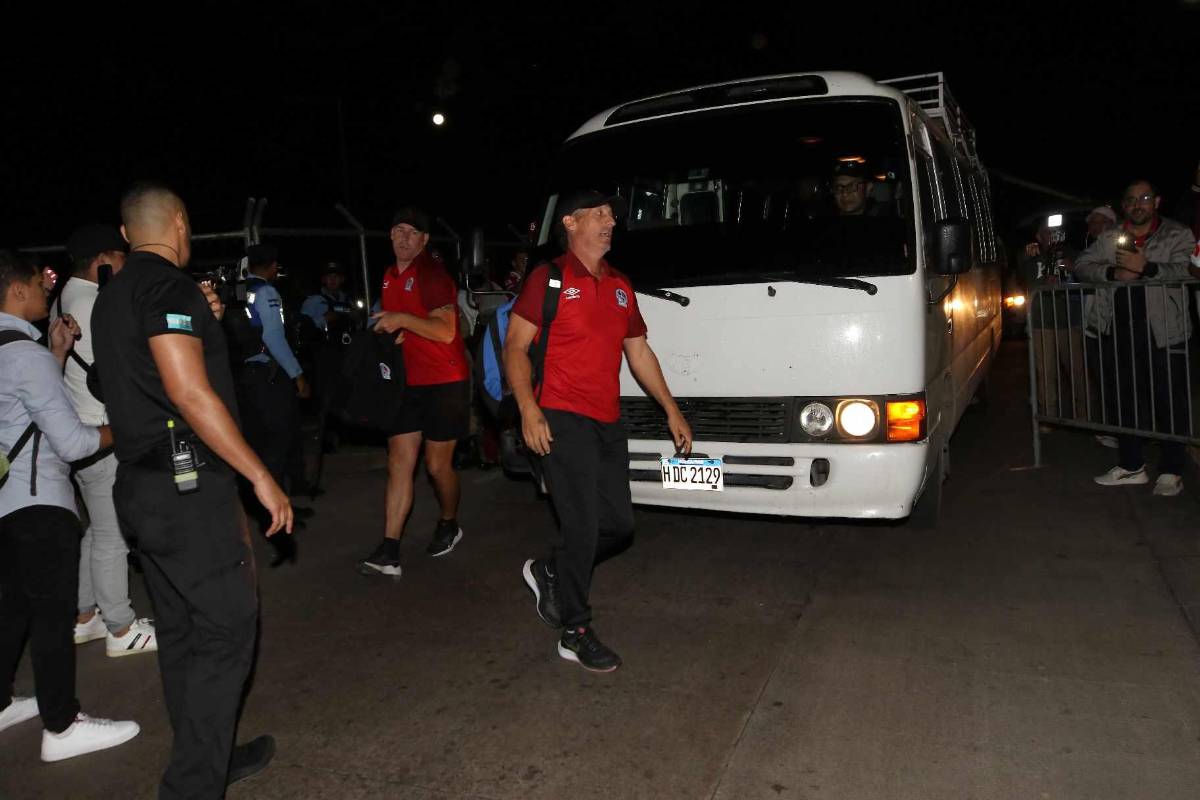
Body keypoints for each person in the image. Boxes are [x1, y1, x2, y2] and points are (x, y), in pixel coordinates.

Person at [92, 183, 288, 798]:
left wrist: (205, 315)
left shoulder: (113, 294)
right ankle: (192, 786)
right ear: (181, 222)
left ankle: (211, 754)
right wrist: (260, 475)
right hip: (187, 491)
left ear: (126, 234)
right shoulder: (167, 287)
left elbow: (142, 372)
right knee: (229, 630)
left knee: (182, 633)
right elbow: (188, 392)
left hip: (140, 489)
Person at [505, 190, 693, 673]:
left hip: (608, 419)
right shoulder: (547, 279)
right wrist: (529, 409)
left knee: (619, 527)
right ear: (571, 222)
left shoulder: (620, 287)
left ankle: (550, 570)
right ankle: (576, 630)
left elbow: (639, 353)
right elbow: (515, 348)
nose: (611, 222)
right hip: (561, 414)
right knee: (583, 526)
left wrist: (671, 408)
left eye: (612, 215)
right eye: (600, 214)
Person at [0, 249, 141, 762]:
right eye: (39, 284)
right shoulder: (25, 354)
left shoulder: (13, 349)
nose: (45, 291)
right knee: (52, 617)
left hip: (6, 504)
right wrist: (122, 428)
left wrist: (56, 352)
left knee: (13, 607)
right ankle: (62, 726)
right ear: (17, 290)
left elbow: (23, 415)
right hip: (42, 503)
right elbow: (74, 444)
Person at [49, 224, 159, 657]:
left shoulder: (63, 297)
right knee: (112, 533)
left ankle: (85, 616)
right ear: (103, 260)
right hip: (101, 430)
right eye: (122, 257)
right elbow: (122, 364)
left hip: (78, 429)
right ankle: (120, 628)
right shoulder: (94, 300)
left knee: (96, 531)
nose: (126, 265)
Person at [359, 206, 470, 576]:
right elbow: (411, 326)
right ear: (390, 237)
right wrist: (397, 334)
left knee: (437, 467)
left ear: (424, 241)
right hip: (409, 382)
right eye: (398, 231)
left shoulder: (432, 275)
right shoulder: (390, 277)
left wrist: (402, 320)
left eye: (412, 233)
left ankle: (449, 520)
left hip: (445, 381)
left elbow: (445, 331)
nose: (404, 238)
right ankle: (390, 548)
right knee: (399, 462)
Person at [1074, 179, 1197, 496]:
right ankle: (1131, 466)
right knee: (1122, 400)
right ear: (1124, 205)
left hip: (1165, 333)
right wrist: (1113, 274)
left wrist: (1149, 268)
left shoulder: (1177, 233)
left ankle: (1171, 470)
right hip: (1117, 331)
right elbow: (1082, 265)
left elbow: (1188, 270)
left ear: (1156, 201)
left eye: (1143, 198)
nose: (1137, 204)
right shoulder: (1111, 236)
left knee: (1169, 402)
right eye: (1130, 200)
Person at [235, 242, 310, 566]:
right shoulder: (267, 293)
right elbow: (274, 338)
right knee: (277, 444)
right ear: (271, 266)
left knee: (256, 441)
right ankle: (276, 515)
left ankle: (257, 507)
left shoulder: (239, 293)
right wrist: (298, 374)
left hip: (243, 378)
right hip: (268, 376)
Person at [1018, 218, 1085, 424]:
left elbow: (1088, 273)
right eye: (1047, 232)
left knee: (1077, 370)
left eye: (1056, 231)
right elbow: (1020, 274)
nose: (1052, 235)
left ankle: (1084, 415)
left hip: (1069, 321)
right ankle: (1049, 417)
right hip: (1041, 323)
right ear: (1039, 236)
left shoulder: (1072, 253)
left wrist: (1073, 268)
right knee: (1045, 372)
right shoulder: (1032, 255)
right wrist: (1025, 256)